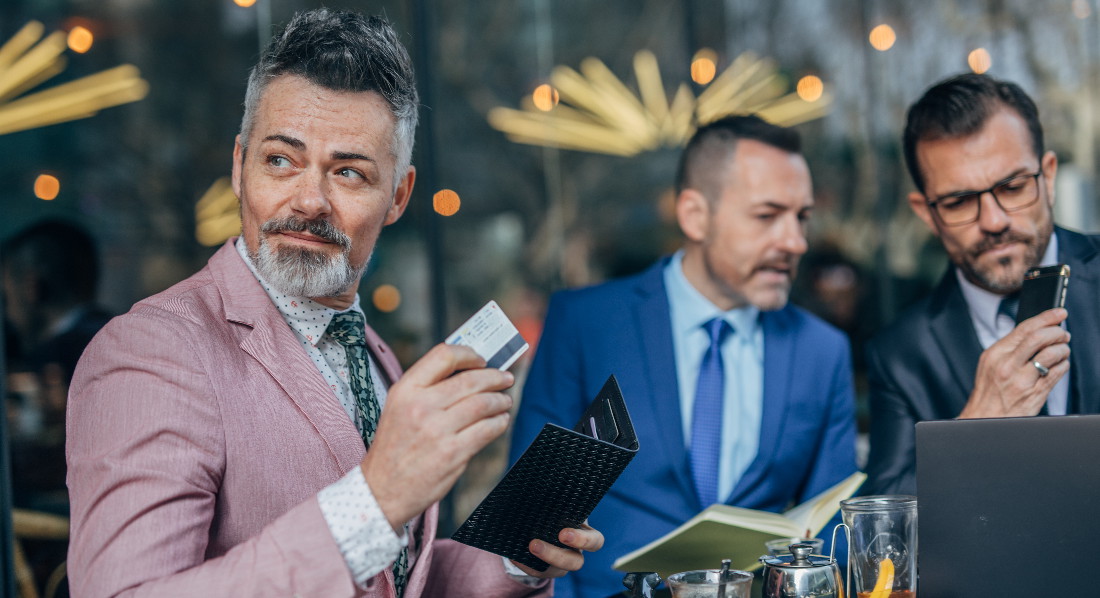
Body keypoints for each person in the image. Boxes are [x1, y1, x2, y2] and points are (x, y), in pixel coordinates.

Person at [65, 9, 602, 598]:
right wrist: (375, 501)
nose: (310, 199)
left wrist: (515, 559)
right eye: (280, 160)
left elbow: (391, 579)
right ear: (239, 167)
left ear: (398, 196)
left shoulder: (372, 355)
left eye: (348, 172)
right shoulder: (151, 350)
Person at [512, 115, 858, 598]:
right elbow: (532, 514)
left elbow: (834, 534)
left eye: (801, 217)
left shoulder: (823, 350)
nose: (795, 242)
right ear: (695, 215)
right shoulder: (586, 323)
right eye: (767, 215)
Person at [862, 73, 1100, 496]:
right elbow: (884, 528)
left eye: (1011, 187)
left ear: (1047, 175)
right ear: (925, 213)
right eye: (958, 202)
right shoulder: (900, 354)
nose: (993, 221)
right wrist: (975, 427)